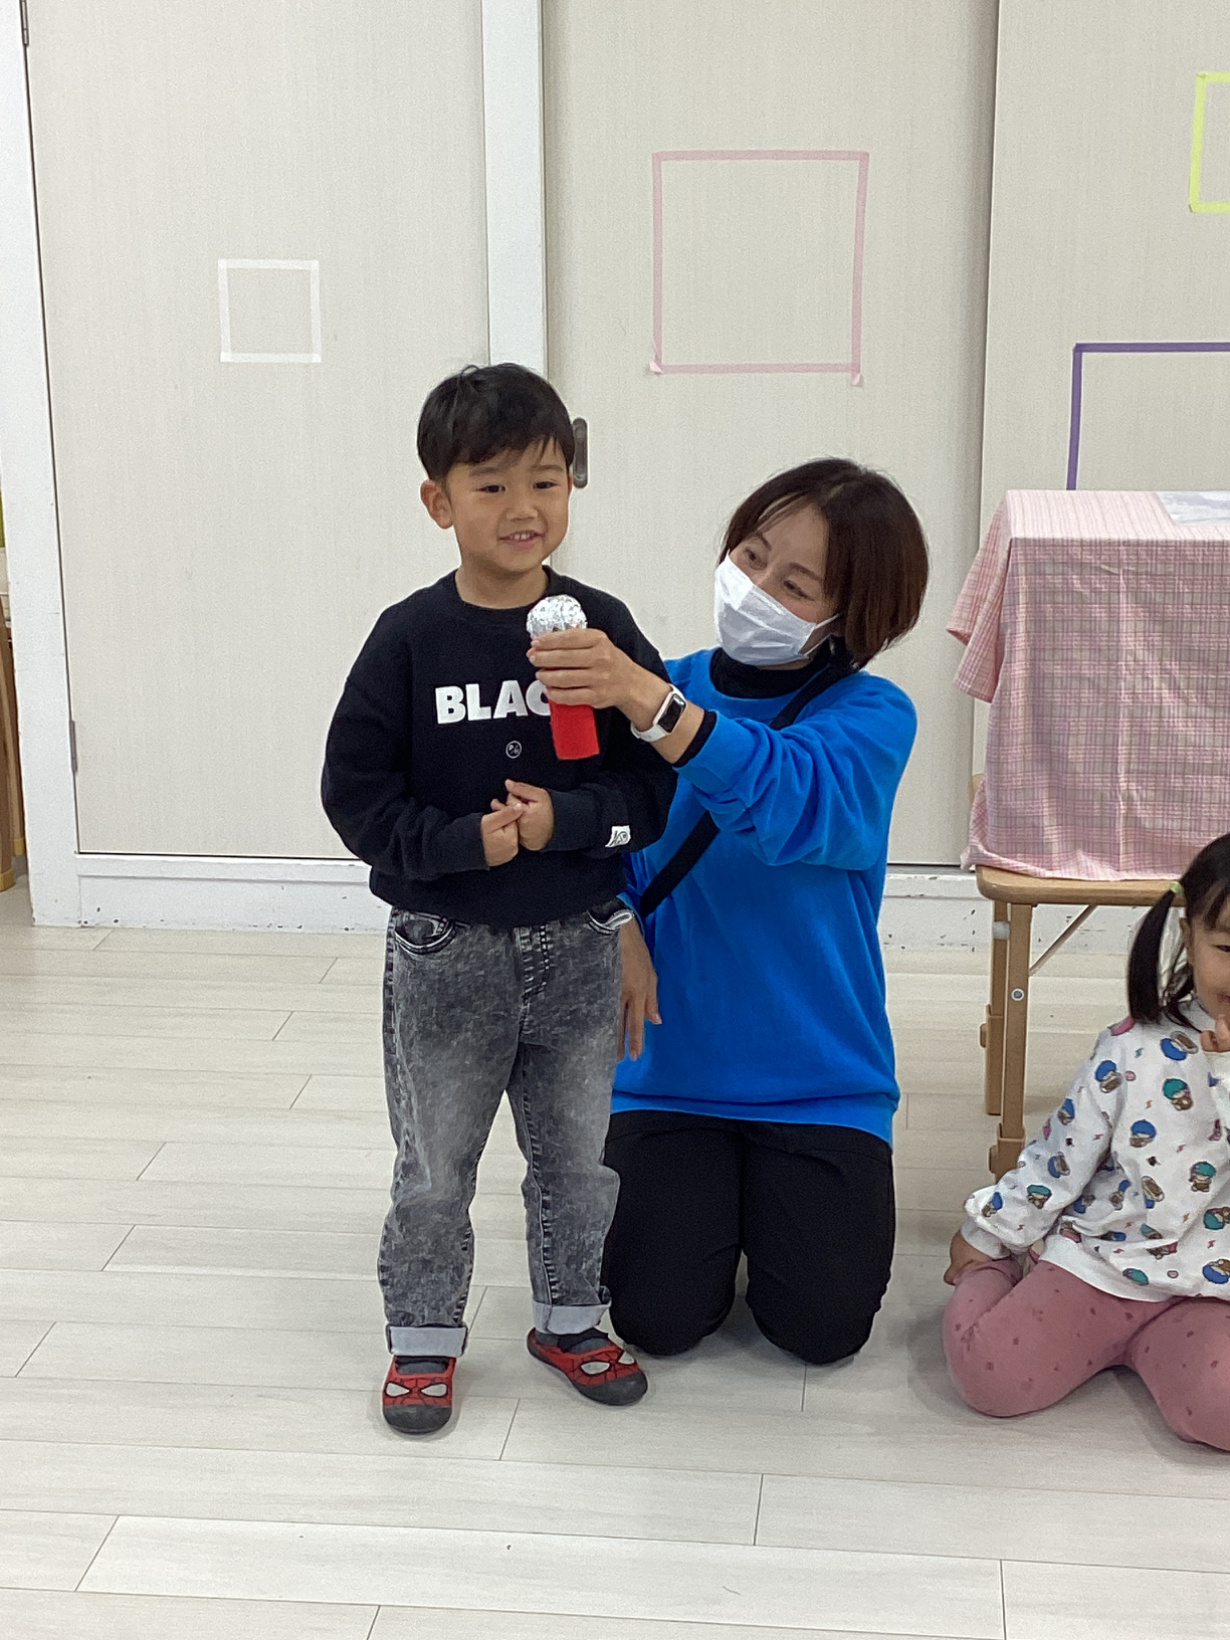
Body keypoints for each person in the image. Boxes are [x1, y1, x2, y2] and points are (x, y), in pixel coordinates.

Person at [321, 364, 676, 1434]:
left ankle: (571, 1316)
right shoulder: (408, 638)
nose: (525, 508)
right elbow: (354, 793)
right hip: (447, 946)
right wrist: (455, 844)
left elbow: (651, 789)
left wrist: (571, 822)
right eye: (492, 485)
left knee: (575, 1157)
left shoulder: (600, 628)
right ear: (439, 501)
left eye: (547, 481)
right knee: (436, 1163)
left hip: (580, 941)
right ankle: (423, 1335)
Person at [527, 458, 928, 1363]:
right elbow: (594, 837)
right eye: (752, 555)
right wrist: (616, 921)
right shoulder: (659, 685)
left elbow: (788, 802)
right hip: (665, 1072)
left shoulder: (873, 717)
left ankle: (766, 1208)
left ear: (850, 618)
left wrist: (651, 704)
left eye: (796, 585)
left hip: (823, 1081)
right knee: (657, 1319)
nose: (756, 587)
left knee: (822, 1330)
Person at [944, 833, 1230, 1449]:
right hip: (1102, 1263)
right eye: (1229, 948)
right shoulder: (1133, 1047)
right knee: (990, 1376)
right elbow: (1060, 1155)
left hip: (1212, 1290)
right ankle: (1007, 1272)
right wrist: (991, 1235)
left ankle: (1154, 1349)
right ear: (1189, 937)